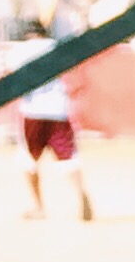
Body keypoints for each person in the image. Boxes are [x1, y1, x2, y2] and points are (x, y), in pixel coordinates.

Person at [17, 69, 92, 222]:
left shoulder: (20, 55)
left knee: (28, 160)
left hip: (33, 111)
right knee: (69, 158)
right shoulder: (58, 54)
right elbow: (78, 83)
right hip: (58, 111)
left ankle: (39, 207)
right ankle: (81, 192)